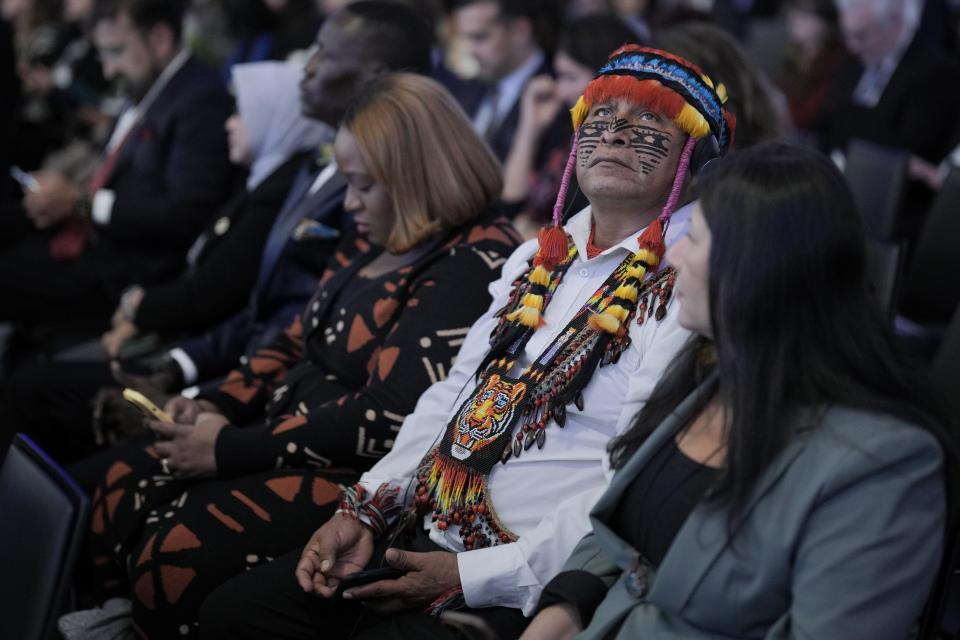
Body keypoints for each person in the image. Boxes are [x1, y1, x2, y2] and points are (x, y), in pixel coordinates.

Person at [199, 45, 735, 640]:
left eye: (648, 123)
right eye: (600, 118)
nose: (613, 135)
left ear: (696, 162)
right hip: (416, 532)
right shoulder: (537, 257)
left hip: (522, 586)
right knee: (232, 614)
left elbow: (628, 476)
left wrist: (475, 574)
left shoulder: (688, 288)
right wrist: (367, 506)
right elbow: (455, 392)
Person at [82, 72, 521, 638]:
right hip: (277, 432)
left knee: (174, 545)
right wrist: (217, 402)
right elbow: (296, 337)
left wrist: (228, 449)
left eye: (363, 185)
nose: (350, 202)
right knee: (123, 482)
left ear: (416, 179)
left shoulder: (476, 261)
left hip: (356, 473)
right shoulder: (379, 230)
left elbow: (384, 420)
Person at [521, 142, 950, 640]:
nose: (672, 254)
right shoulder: (714, 368)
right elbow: (625, 534)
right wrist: (563, 610)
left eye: (696, 239)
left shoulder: (883, 463)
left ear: (759, 269)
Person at [1, 59, 329, 466]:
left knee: (32, 385)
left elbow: (214, 294)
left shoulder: (275, 195)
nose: (228, 122)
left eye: (242, 112)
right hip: (185, 343)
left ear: (273, 119)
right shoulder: (257, 181)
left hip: (198, 353)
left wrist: (139, 309)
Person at [0, 0, 235, 345]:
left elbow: (185, 213)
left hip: (125, 273)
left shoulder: (200, 100)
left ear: (160, 37)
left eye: (116, 51)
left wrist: (83, 203)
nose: (108, 71)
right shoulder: (148, 86)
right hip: (88, 245)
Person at [501, 12, 639, 233]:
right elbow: (509, 202)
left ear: (608, 79)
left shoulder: (621, 146)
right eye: (559, 76)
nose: (561, 90)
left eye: (571, 77)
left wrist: (530, 234)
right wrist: (530, 128)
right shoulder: (566, 125)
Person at [447, 0, 569, 165]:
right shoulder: (465, 91)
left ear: (520, 31)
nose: (470, 50)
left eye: (480, 37)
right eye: (466, 38)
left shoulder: (561, 95)